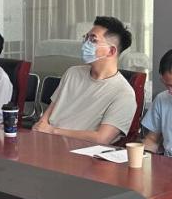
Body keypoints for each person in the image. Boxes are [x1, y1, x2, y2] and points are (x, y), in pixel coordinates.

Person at [32, 16, 137, 144]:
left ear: (111, 51)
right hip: (47, 142)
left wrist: (53, 131)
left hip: (80, 150)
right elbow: (46, 117)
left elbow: (102, 138)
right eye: (85, 38)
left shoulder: (124, 94)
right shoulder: (73, 73)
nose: (85, 44)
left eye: (93, 40)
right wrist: (41, 128)